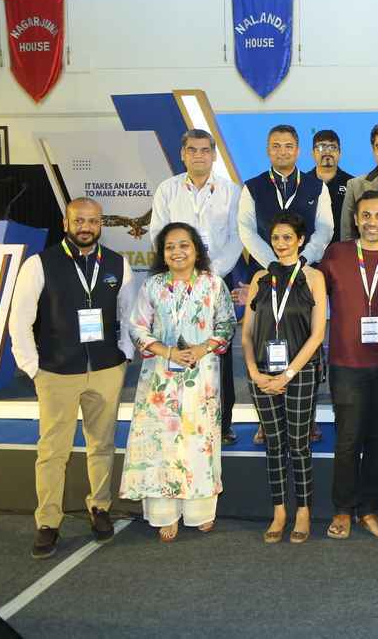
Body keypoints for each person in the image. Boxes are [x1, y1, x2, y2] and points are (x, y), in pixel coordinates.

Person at [8, 197, 135, 559]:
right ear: (65, 223)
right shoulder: (39, 264)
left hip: (106, 369)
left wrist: (125, 354)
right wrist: (33, 368)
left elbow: (129, 314)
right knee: (52, 451)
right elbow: (19, 319)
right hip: (56, 372)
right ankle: (48, 522)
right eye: (79, 220)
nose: (86, 227)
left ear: (100, 225)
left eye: (93, 221)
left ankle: (100, 507)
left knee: (102, 445)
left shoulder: (118, 264)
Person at [120, 223, 236, 541]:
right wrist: (167, 351)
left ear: (196, 249)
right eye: (170, 247)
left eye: (184, 245)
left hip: (202, 377)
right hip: (160, 379)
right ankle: (165, 514)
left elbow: (227, 324)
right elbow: (137, 327)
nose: (177, 252)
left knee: (199, 442)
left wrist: (202, 348)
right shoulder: (152, 286)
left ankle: (200, 512)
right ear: (162, 253)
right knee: (163, 444)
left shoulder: (213, 284)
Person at [149, 129, 245, 446]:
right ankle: (177, 418)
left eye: (205, 150)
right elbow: (158, 235)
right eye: (192, 150)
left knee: (219, 350)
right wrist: (183, 271)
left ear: (214, 155)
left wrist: (208, 275)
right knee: (177, 346)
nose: (199, 155)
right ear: (183, 154)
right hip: (176, 281)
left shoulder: (231, 191)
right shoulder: (167, 190)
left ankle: (223, 424)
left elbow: (237, 237)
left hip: (217, 280)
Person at [320, 191, 378, 540]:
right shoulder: (336, 254)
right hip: (347, 363)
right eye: (366, 215)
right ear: (355, 219)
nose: (372, 222)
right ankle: (342, 509)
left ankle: (369, 509)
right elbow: (308, 293)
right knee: (347, 440)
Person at [241, 211, 328, 544]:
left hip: (300, 373)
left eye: (288, 237)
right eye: (276, 237)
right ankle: (279, 512)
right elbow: (247, 334)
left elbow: (317, 334)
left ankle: (303, 512)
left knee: (299, 444)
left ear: (301, 240)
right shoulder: (260, 278)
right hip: (262, 374)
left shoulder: (314, 278)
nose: (281, 244)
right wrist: (253, 371)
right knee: (274, 445)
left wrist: (289, 374)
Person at [238, 124, 335, 270]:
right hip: (263, 269)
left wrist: (303, 260)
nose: (282, 152)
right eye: (276, 146)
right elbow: (247, 230)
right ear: (268, 150)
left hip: (306, 269)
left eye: (288, 146)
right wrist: (271, 263)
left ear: (297, 151)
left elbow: (325, 230)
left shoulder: (318, 187)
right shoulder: (252, 187)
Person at [308, 129, 353, 244]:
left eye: (333, 147)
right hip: (309, 251)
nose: (327, 152)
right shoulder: (302, 183)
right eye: (321, 147)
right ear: (313, 153)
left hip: (344, 250)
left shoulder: (352, 184)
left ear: (340, 153)